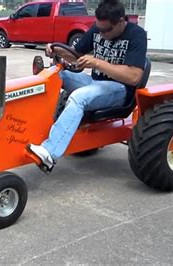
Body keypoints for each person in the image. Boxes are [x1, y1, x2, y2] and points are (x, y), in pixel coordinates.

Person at [27, 0, 147, 172]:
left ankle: (49, 153)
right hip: (96, 83)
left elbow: (134, 77)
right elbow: (75, 55)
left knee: (79, 97)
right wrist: (55, 49)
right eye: (99, 29)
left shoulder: (136, 35)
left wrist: (97, 63)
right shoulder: (98, 29)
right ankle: (31, 128)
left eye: (107, 30)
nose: (102, 33)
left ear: (121, 21)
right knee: (53, 74)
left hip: (120, 90)